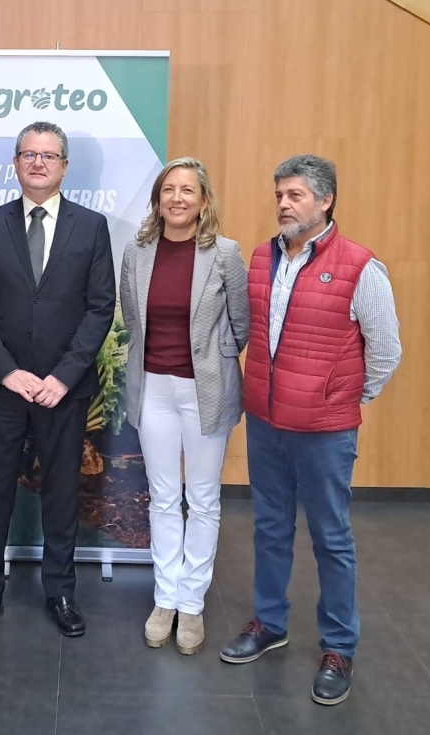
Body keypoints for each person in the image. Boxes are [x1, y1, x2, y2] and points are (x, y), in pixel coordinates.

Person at [219, 154, 402, 706]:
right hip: (267, 423)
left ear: (325, 201)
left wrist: (343, 397)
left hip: (325, 429)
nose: (283, 204)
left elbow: (386, 350)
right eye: (279, 194)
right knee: (270, 528)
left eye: (295, 195)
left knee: (331, 537)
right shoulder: (259, 258)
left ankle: (339, 647)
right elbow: (249, 332)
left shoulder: (360, 266)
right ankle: (270, 624)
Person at [0, 121, 115, 640]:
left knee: (61, 492)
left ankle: (61, 592)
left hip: (64, 391)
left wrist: (64, 377)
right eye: (28, 154)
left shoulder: (91, 227)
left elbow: (100, 308)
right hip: (4, 387)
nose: (38, 162)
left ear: (65, 166)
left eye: (48, 155)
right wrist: (9, 371)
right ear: (16, 164)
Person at [120, 157, 248, 654]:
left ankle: (191, 604)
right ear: (158, 198)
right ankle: (165, 598)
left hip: (205, 391)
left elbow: (240, 326)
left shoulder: (226, 253)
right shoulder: (137, 251)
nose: (177, 198)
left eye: (187, 190)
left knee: (204, 499)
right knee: (163, 496)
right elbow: (133, 319)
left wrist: (213, 363)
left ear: (203, 201)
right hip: (153, 388)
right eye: (168, 189)